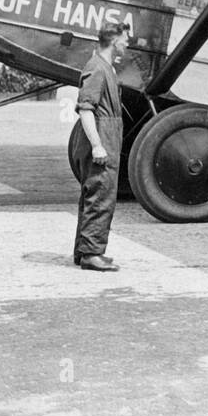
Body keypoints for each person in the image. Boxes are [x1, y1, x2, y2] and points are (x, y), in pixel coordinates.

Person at [71, 22, 129, 271]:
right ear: (115, 41)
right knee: (100, 197)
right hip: (100, 139)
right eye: (125, 39)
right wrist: (97, 145)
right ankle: (92, 254)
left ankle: (84, 251)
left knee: (94, 196)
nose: (127, 44)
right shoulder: (97, 68)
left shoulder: (106, 68)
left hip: (107, 136)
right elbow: (85, 109)